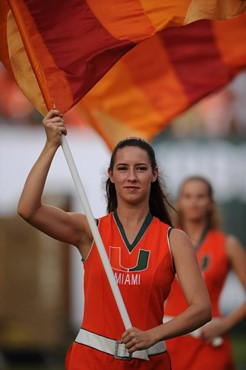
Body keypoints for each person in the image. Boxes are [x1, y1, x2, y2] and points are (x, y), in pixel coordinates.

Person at [17, 110, 211, 370]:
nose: (131, 177)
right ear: (111, 174)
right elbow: (28, 209)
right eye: (123, 168)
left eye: (140, 169)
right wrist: (51, 144)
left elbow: (201, 309)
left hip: (148, 362)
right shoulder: (90, 231)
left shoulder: (173, 239)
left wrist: (152, 334)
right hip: (90, 361)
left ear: (154, 174)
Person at [165, 176, 246, 370]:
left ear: (211, 203)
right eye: (188, 196)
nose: (194, 201)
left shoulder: (227, 244)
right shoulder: (164, 240)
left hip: (209, 340)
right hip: (169, 340)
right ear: (179, 202)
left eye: (200, 196)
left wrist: (225, 324)